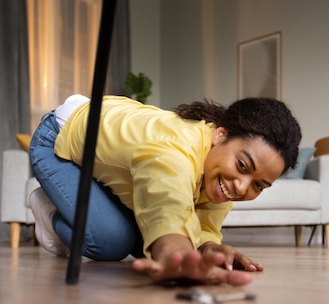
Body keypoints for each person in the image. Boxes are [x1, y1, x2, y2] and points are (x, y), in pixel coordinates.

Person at [29, 94, 302, 286]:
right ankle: (48, 209)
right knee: (112, 243)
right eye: (242, 166)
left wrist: (209, 249)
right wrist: (179, 257)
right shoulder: (173, 150)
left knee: (142, 243)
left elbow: (203, 224)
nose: (241, 188)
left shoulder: (221, 169)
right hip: (57, 140)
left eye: (258, 185)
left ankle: (81, 203)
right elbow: (166, 203)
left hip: (109, 146)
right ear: (221, 135)